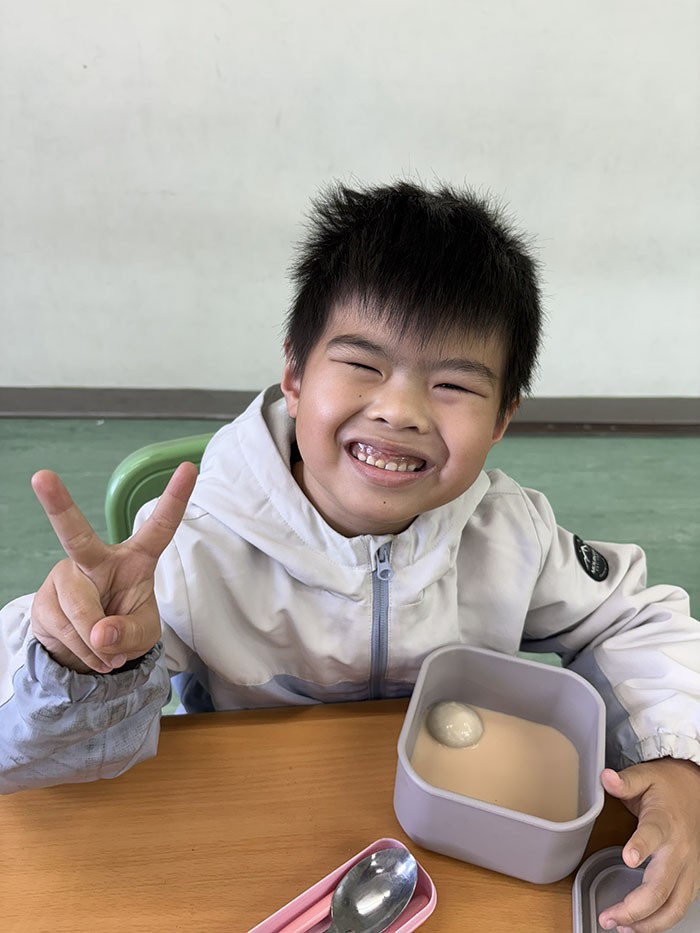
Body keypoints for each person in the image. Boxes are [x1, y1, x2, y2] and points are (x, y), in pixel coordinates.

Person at [1, 181, 698, 933]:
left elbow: (634, 617)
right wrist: (78, 664)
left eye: (453, 384)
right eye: (364, 365)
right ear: (296, 376)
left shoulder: (510, 532)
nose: (400, 411)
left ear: (503, 418)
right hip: (255, 838)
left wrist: (675, 759)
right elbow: (24, 751)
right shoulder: (196, 546)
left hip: (458, 842)